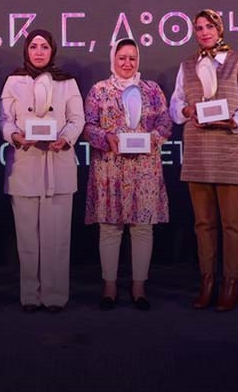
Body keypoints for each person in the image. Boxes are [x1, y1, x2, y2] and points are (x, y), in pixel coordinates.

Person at [170, 10, 238, 312]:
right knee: (203, 224)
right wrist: (186, 111)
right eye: (199, 28)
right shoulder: (187, 65)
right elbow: (176, 105)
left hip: (230, 153)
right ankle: (207, 281)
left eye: (209, 26)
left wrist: (231, 122)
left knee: (232, 225)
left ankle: (230, 283)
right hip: (198, 153)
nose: (204, 32)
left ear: (220, 29)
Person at [0, 29, 84, 313]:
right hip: (24, 165)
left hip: (58, 165)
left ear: (52, 50)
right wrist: (15, 135)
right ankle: (30, 296)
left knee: (57, 239)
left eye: (44, 46)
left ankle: (55, 296)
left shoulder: (67, 82)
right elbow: (4, 119)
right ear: (26, 49)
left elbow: (77, 119)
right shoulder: (14, 80)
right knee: (27, 239)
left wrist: (66, 139)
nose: (38, 52)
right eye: (34, 46)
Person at [84, 38, 172, 311]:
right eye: (122, 57)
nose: (127, 63)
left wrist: (151, 138)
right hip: (109, 168)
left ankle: (139, 286)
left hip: (144, 169)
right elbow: (88, 126)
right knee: (110, 228)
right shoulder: (99, 90)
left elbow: (165, 122)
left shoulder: (152, 90)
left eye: (132, 58)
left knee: (142, 228)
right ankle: (109, 286)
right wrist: (106, 137)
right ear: (113, 59)